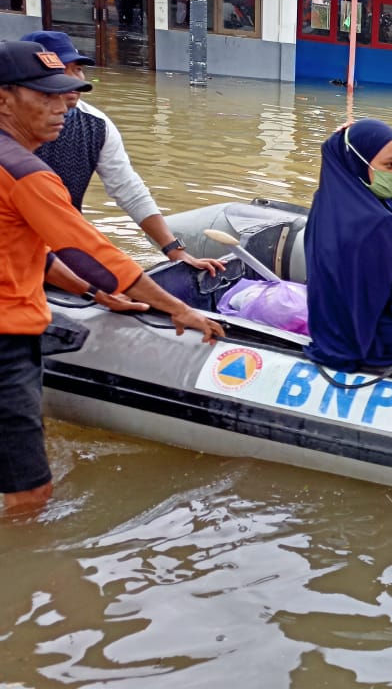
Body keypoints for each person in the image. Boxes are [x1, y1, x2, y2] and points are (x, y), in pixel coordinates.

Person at [0, 39, 224, 513]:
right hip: (6, 339)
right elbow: (89, 251)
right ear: (5, 98)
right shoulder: (25, 172)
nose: (64, 106)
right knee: (32, 493)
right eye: (46, 96)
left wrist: (93, 293)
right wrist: (178, 307)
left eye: (65, 92)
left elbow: (29, 252)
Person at [21, 31, 224, 275]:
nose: (74, 80)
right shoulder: (10, 132)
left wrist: (174, 249)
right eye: (63, 69)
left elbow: (128, 189)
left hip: (62, 241)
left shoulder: (96, 125)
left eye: (77, 69)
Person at [304, 120, 392, 370]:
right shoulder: (378, 225)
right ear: (359, 164)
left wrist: (337, 142)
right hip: (376, 343)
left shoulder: (326, 202)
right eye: (389, 165)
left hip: (329, 334)